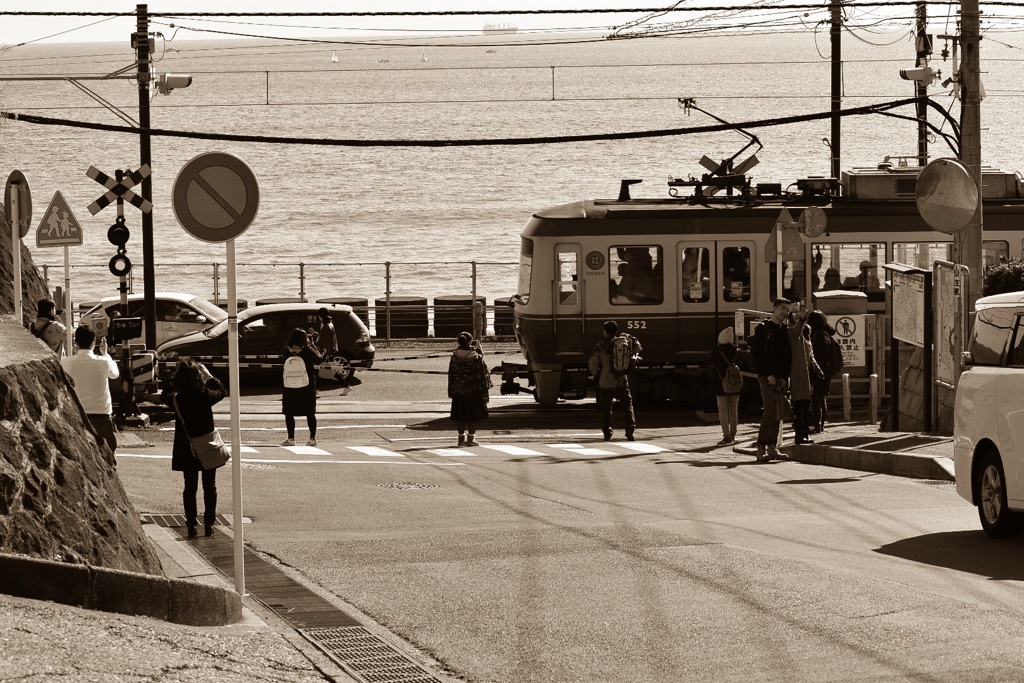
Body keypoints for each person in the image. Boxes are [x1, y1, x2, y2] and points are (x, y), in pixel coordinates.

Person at [161, 359, 227, 540]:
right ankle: (209, 523)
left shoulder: (177, 399)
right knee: (209, 486)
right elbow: (222, 391)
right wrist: (209, 376)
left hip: (186, 447)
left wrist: (173, 378)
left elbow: (163, 395)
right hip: (207, 446)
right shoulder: (205, 395)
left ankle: (191, 524)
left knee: (190, 487)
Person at [61, 324, 119, 452]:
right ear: (94, 342)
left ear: (76, 342)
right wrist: (106, 354)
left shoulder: (65, 363)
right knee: (107, 453)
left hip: (77, 414)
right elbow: (115, 375)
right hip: (101, 414)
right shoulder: (104, 362)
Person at [750, 298, 792, 461]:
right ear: (774, 308)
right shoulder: (763, 328)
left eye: (787, 310)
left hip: (780, 377)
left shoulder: (784, 329)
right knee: (770, 410)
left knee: (777, 412)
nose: (785, 312)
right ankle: (761, 448)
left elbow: (787, 356)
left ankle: (771, 447)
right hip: (766, 376)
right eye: (782, 308)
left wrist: (784, 377)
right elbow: (759, 354)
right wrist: (768, 375)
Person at [588, 320, 642, 441]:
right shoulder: (623, 343)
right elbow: (637, 351)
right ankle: (630, 430)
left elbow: (592, 365)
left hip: (605, 382)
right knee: (627, 405)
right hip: (621, 380)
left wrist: (596, 374)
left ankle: (607, 433)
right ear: (616, 331)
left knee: (606, 408)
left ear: (605, 332)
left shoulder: (600, 347)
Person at [447, 332, 492, 446]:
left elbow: (451, 375)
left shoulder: (454, 356)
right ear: (470, 342)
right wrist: (485, 392)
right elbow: (481, 375)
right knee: (473, 416)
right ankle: (471, 439)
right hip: (474, 391)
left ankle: (461, 439)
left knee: (460, 416)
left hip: (458, 391)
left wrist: (451, 390)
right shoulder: (476, 357)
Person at [281, 328, 322, 447]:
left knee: (289, 412)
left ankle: (291, 438)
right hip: (307, 384)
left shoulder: (287, 350)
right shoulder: (307, 350)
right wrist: (313, 345)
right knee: (310, 412)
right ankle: (312, 438)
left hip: (289, 384)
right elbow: (319, 359)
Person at [787, 309, 823, 445]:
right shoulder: (794, 336)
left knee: (804, 407)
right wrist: (801, 319)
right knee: (800, 407)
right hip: (799, 376)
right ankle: (800, 435)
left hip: (806, 377)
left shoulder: (804, 341)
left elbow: (811, 357)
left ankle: (803, 434)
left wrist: (818, 371)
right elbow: (796, 330)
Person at [707, 326, 746, 445]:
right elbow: (742, 364)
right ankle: (733, 435)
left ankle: (726, 436)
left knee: (723, 410)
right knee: (733, 410)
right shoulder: (738, 351)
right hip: (735, 385)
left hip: (720, 386)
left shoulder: (716, 352)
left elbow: (710, 362)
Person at [807, 310, 836, 434]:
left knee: (816, 398)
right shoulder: (825, 333)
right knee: (821, 397)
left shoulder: (819, 335)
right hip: (824, 370)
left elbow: (818, 356)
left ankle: (817, 425)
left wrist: (816, 370)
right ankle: (820, 425)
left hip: (819, 371)